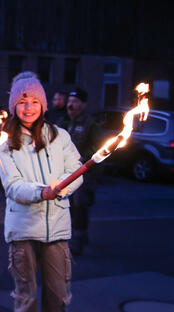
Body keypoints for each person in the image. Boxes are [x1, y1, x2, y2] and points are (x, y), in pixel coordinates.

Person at [0, 71, 85, 312]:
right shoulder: (5, 142)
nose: (29, 107)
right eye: (22, 101)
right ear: (13, 106)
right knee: (26, 292)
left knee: (58, 292)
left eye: (35, 101)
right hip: (23, 229)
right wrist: (42, 191)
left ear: (44, 104)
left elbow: (77, 170)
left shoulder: (60, 136)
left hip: (57, 227)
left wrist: (61, 189)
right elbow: (12, 185)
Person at [64, 88, 102, 255]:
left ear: (83, 105)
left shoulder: (90, 125)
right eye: (69, 101)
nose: (70, 105)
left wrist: (82, 160)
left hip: (85, 175)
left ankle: (78, 240)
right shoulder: (65, 122)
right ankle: (79, 235)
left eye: (75, 102)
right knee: (70, 206)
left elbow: (99, 148)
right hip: (68, 174)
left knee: (80, 206)